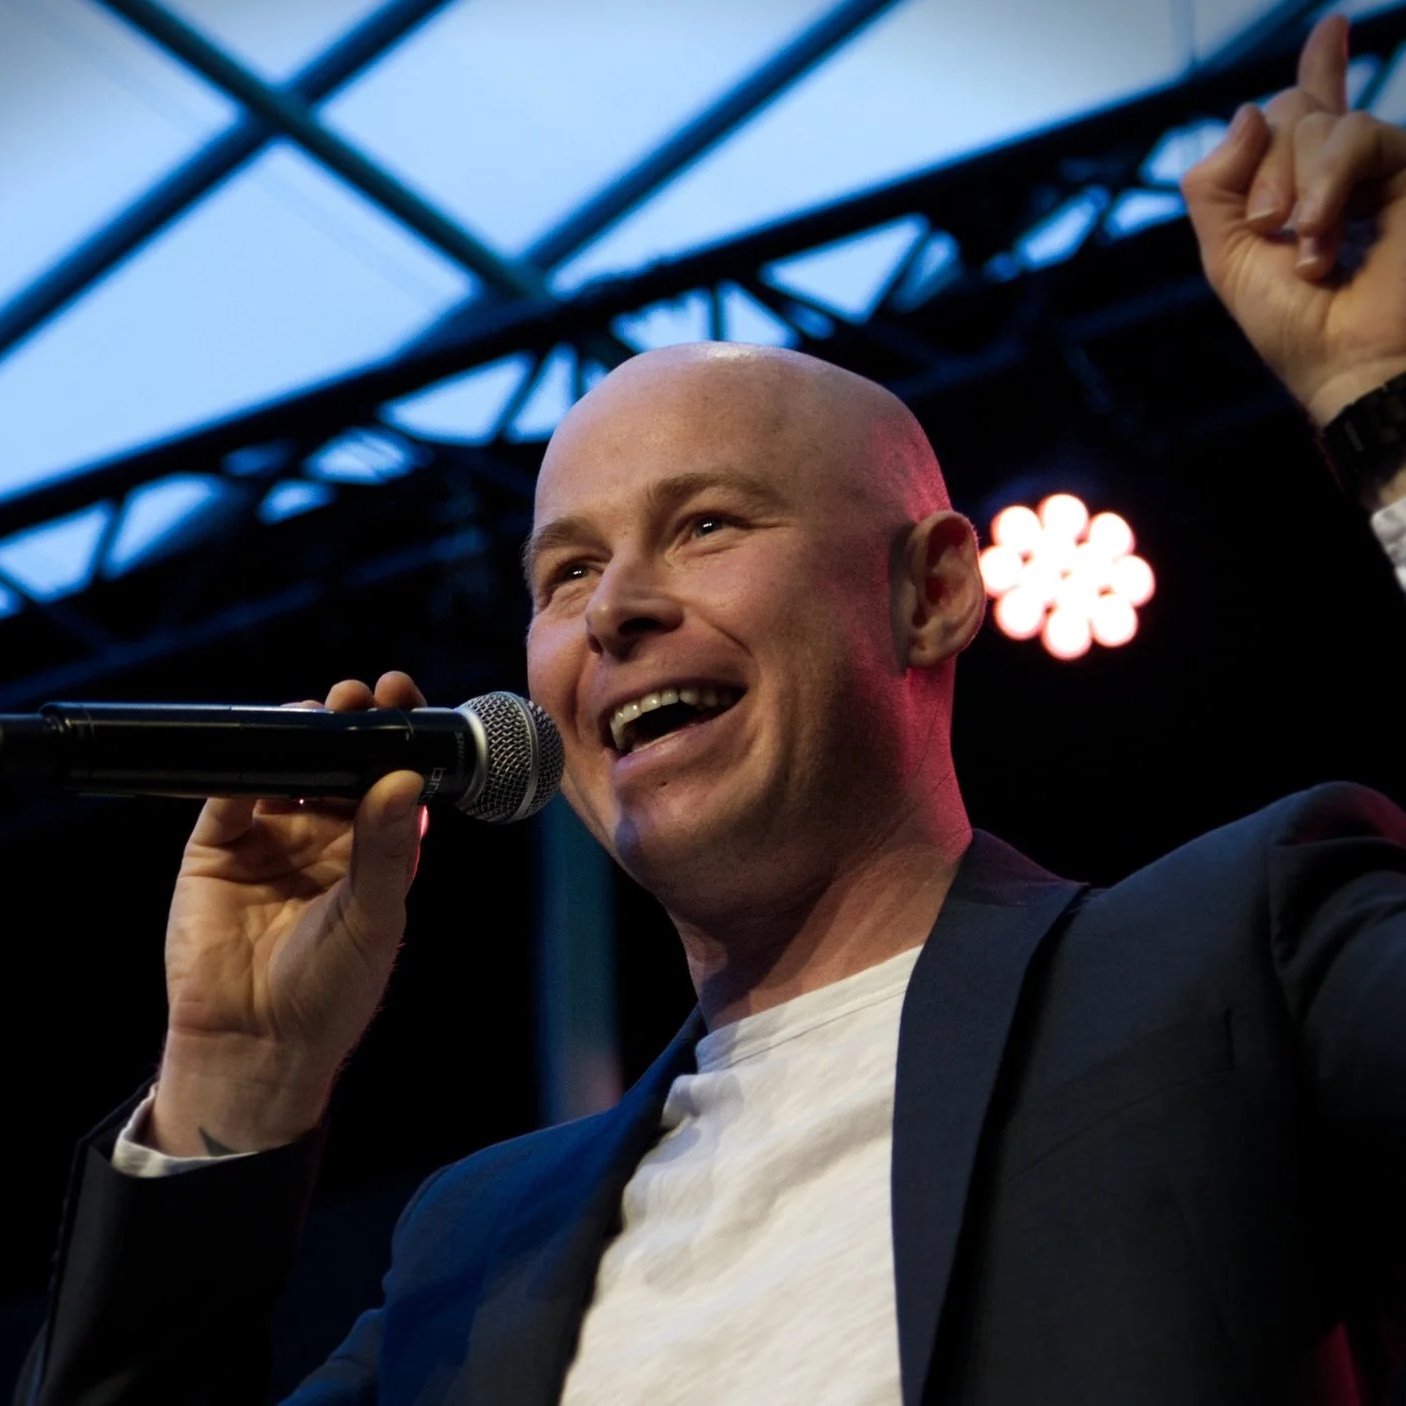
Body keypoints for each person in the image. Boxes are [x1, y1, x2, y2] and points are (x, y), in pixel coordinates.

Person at [18, 15, 1406, 1405]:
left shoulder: (1228, 957)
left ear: (930, 592)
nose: (612, 607)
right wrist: (236, 1078)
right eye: (565, 570)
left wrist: (1382, 413)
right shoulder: (475, 1246)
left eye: (703, 525)